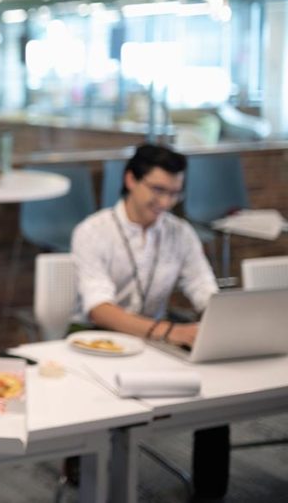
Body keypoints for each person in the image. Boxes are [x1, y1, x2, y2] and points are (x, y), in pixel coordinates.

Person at [71, 143, 229, 500]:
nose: (166, 202)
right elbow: (100, 308)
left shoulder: (179, 232)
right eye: (158, 190)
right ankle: (86, 465)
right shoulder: (93, 231)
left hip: (154, 335)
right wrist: (171, 332)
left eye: (174, 193)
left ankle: (211, 493)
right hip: (92, 335)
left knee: (218, 393)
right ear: (131, 180)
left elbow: (204, 290)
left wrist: (222, 317)